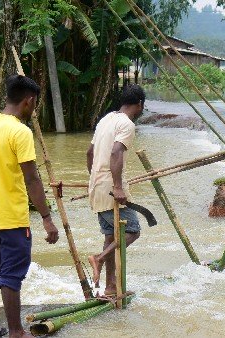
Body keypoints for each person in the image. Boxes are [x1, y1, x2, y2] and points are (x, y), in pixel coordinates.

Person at [0, 75, 59, 338]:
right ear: (28, 101)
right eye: (34, 104)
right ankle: (17, 332)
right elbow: (32, 177)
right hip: (12, 218)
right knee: (11, 275)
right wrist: (46, 217)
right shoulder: (20, 131)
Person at [87, 84, 145, 296]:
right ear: (139, 104)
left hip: (97, 187)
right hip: (111, 189)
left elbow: (89, 153)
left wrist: (94, 178)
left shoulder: (106, 119)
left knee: (111, 237)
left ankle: (111, 287)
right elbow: (116, 152)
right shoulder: (126, 124)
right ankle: (99, 259)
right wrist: (118, 187)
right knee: (132, 231)